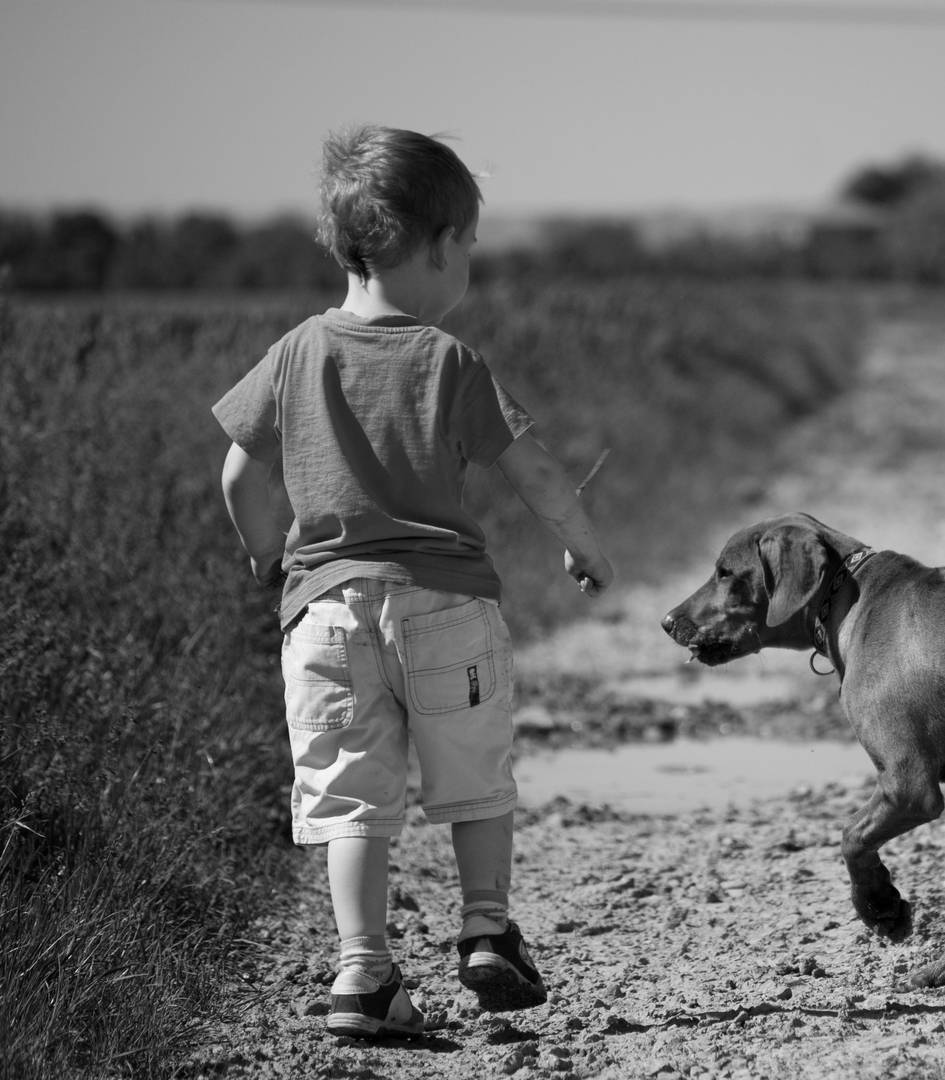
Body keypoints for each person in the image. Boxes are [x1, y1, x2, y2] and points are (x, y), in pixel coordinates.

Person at [213, 124, 613, 1039]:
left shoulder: (295, 352)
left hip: (322, 613)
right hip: (444, 605)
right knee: (471, 775)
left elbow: (238, 476)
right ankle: (485, 933)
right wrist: (584, 547)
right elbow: (539, 475)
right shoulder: (449, 361)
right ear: (437, 246)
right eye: (468, 244)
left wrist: (264, 552)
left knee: (350, 797)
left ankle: (363, 976)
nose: (468, 262)